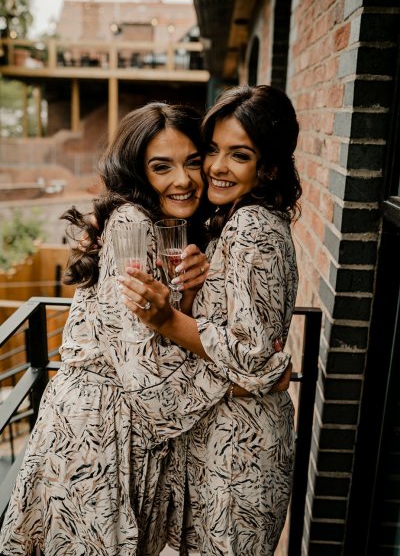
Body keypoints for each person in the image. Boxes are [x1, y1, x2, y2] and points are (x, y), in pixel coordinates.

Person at [0, 103, 225, 556]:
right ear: (137, 171)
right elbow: (144, 374)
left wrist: (192, 293)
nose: (183, 179)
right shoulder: (132, 224)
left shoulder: (171, 226)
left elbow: (158, 331)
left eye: (193, 161)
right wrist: (239, 379)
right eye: (162, 166)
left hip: (123, 433)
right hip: (98, 437)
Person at [118, 84, 302, 555]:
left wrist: (166, 321)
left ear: (271, 166)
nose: (217, 167)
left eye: (239, 155)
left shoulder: (253, 226)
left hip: (240, 449)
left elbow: (256, 357)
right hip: (225, 437)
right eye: (213, 151)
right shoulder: (238, 220)